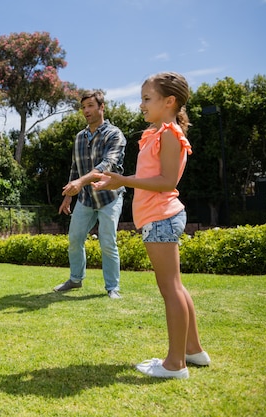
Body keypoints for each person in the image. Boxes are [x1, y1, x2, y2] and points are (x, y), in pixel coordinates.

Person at [93, 72, 210, 379]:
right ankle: (193, 350)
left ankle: (175, 364)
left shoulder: (170, 134)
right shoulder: (159, 133)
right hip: (158, 218)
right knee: (176, 287)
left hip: (161, 217)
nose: (141, 104)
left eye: (147, 99)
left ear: (169, 101)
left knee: (170, 288)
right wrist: (118, 181)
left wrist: (123, 181)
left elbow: (167, 181)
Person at [54, 90, 127, 299]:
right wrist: (69, 195)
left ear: (101, 107)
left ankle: (112, 287)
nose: (86, 111)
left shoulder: (114, 135)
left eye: (90, 106)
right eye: (83, 107)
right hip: (85, 199)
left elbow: (106, 166)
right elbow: (75, 169)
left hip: (109, 198)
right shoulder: (79, 137)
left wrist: (80, 182)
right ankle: (75, 279)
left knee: (107, 241)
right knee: (75, 238)